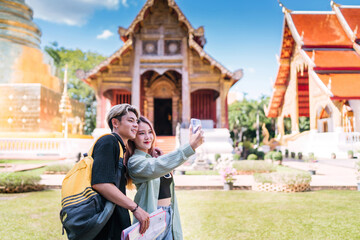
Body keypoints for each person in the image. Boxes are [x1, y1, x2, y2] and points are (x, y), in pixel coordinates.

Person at [126, 116, 204, 240]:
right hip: (152, 216)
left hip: (169, 213)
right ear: (133, 137)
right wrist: (190, 146)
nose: (148, 137)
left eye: (150, 132)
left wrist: (161, 158)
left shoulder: (154, 159)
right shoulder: (134, 162)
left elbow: (163, 171)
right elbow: (155, 167)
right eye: (141, 133)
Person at [91, 104, 150, 240]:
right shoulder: (108, 141)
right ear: (115, 123)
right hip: (104, 223)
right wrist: (135, 208)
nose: (136, 125)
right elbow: (101, 184)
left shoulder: (120, 147)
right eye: (130, 120)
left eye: (136, 121)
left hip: (112, 219)